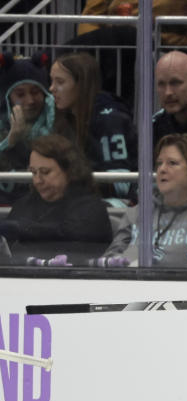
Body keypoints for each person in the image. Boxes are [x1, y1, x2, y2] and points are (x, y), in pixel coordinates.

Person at [98, 133, 187, 268]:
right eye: (159, 163)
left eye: (172, 163)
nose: (162, 169)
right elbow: (109, 258)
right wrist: (112, 262)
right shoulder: (138, 212)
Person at [0, 134, 111, 265]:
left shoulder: (92, 208)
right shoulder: (23, 205)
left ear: (69, 171)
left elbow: (69, 233)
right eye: (33, 172)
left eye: (45, 172)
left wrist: (22, 228)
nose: (37, 180)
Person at [49, 52, 138, 202]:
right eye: (51, 81)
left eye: (60, 82)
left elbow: (120, 185)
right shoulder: (65, 119)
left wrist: (69, 183)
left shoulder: (110, 120)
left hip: (120, 204)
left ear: (81, 84)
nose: (52, 88)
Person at [0, 54, 55, 205]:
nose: (30, 100)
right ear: (7, 97)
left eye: (36, 92)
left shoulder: (59, 120)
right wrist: (9, 143)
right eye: (20, 94)